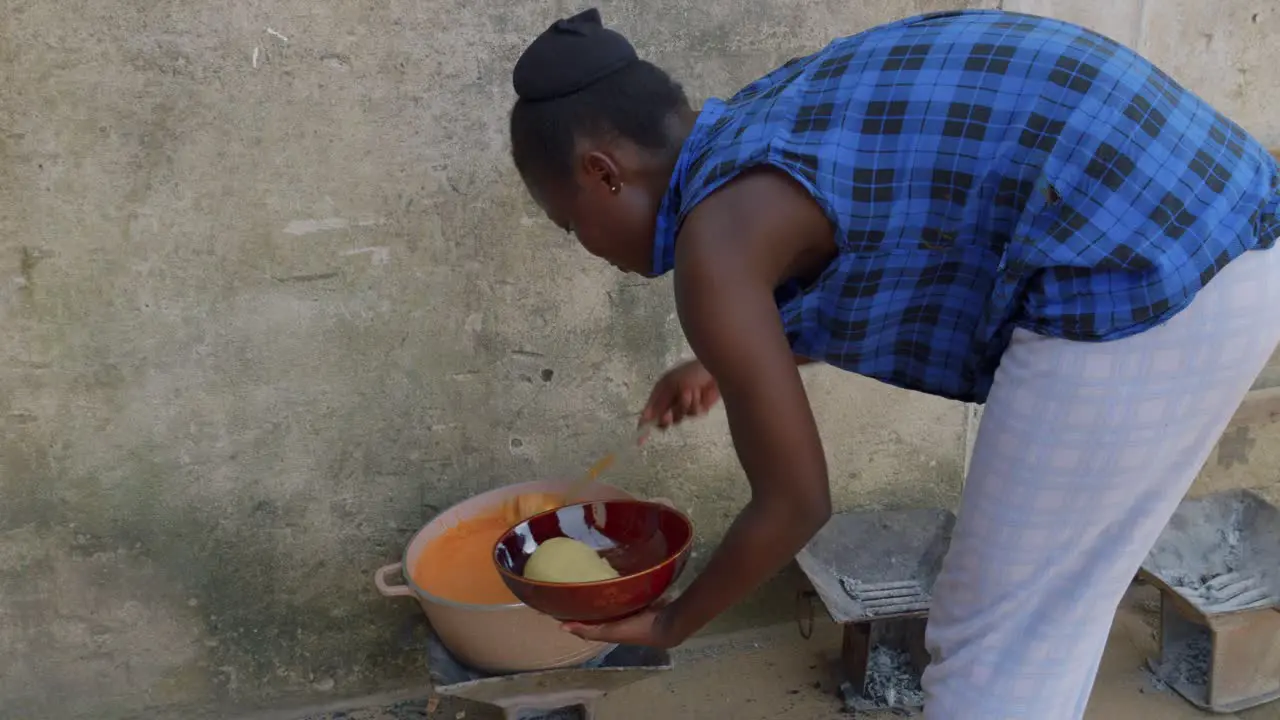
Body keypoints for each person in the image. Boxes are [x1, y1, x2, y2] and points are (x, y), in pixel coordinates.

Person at [507, 7, 1280, 717]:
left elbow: (796, 506)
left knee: (993, 646)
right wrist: (741, 359)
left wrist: (671, 622)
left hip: (1143, 275)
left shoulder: (715, 242)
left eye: (570, 226)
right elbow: (912, 225)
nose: (591, 252)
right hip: (1220, 225)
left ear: (603, 173)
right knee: (1041, 625)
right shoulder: (753, 131)